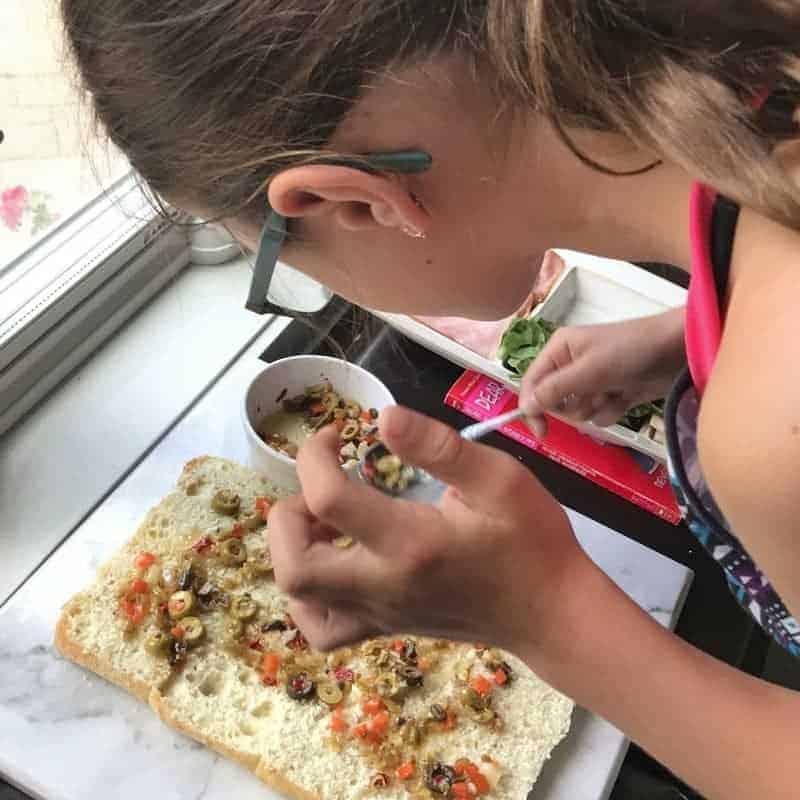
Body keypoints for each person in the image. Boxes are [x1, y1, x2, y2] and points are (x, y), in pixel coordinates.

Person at [60, 1, 800, 797]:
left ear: (346, 201)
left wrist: (544, 614)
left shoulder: (772, 433)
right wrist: (685, 330)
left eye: (281, 267)